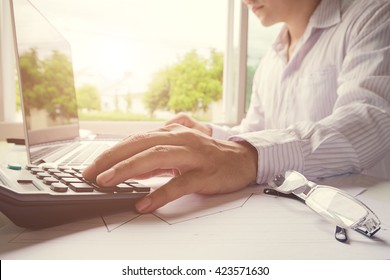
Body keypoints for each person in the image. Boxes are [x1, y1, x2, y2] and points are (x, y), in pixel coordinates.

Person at [83, 0, 390, 213]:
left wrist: (247, 156)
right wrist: (208, 132)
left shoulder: (373, 15)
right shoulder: (272, 58)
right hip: (288, 208)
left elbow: (372, 119)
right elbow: (257, 132)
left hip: (358, 212)